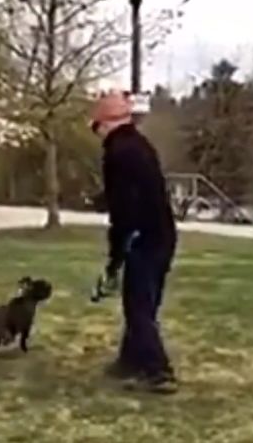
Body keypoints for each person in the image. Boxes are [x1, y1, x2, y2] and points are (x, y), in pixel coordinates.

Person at [90, 91, 178, 393]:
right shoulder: (141, 145)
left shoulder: (116, 153)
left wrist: (115, 255)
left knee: (138, 307)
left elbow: (124, 208)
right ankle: (129, 361)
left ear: (106, 123)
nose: (97, 134)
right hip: (163, 234)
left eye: (97, 126)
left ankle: (159, 371)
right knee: (144, 303)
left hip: (143, 237)